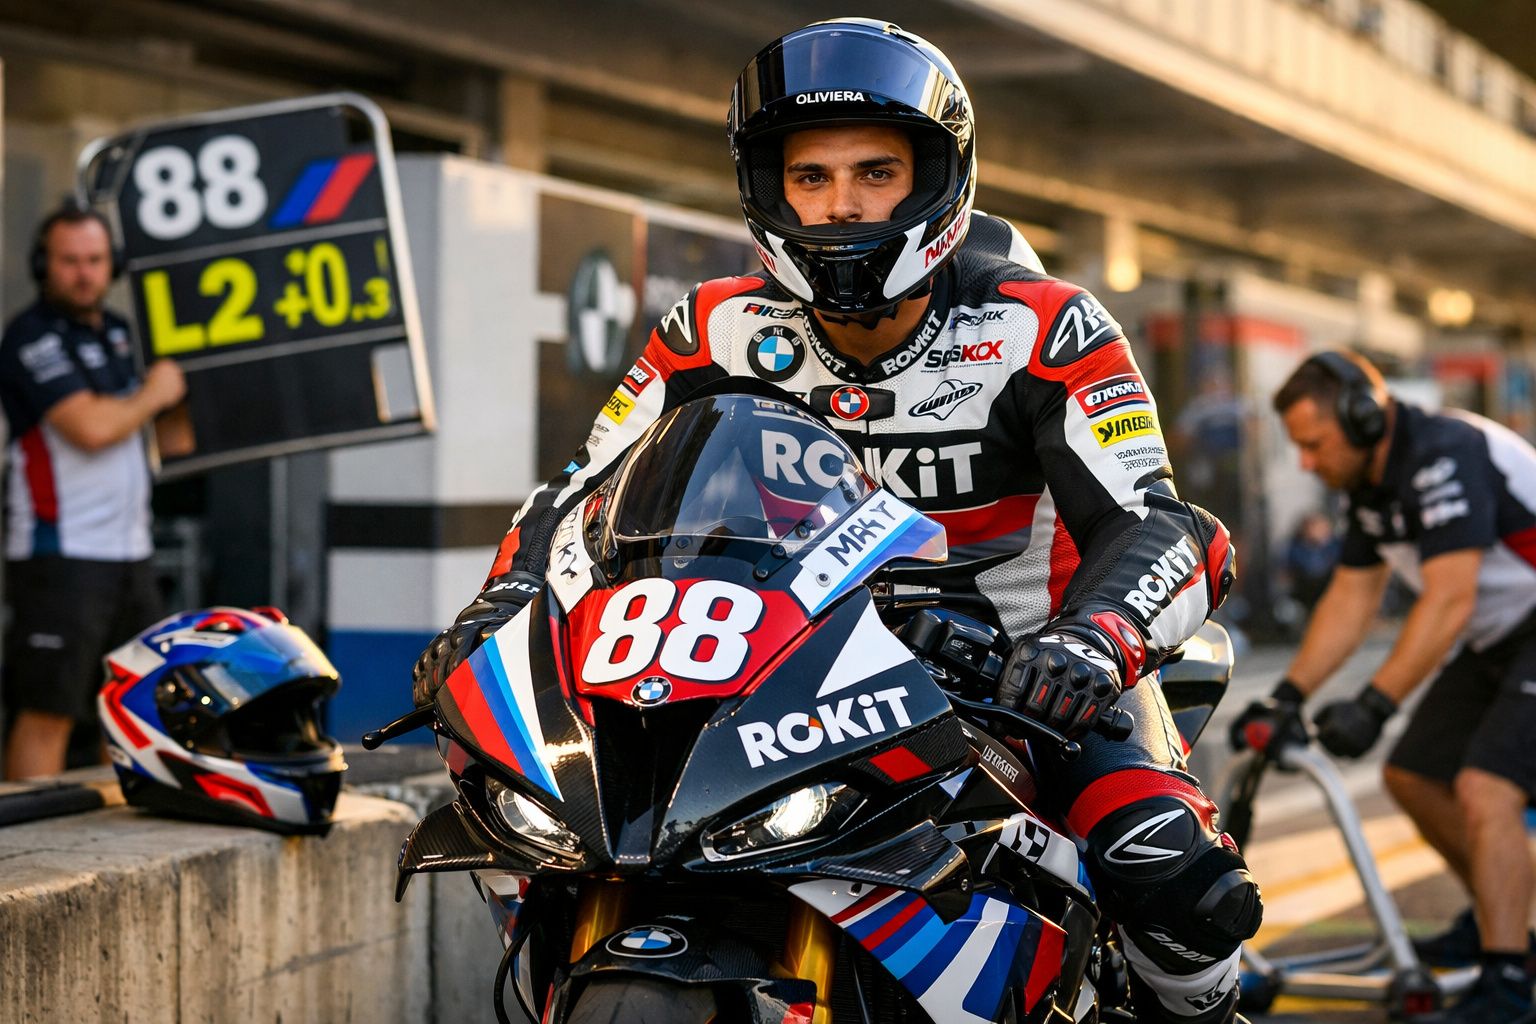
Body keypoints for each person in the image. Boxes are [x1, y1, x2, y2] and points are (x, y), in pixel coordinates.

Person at [415, 20, 1259, 1022]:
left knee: (1161, 865)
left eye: (874, 172)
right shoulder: (711, 326)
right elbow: (576, 493)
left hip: (1022, 679)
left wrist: (1089, 641)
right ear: (768, 188)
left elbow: (1155, 522)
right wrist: (499, 604)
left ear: (937, 178)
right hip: (778, 669)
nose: (841, 203)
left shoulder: (1046, 326)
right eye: (809, 177)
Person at [1234, 350, 1536, 1023]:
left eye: (1313, 444)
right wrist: (1288, 695)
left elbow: (1449, 600)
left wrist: (1376, 704)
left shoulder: (1444, 452)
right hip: (1505, 634)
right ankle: (1502, 922)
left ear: (1362, 417)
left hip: (1524, 625)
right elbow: (1352, 595)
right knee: (1412, 775)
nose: (1306, 463)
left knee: (1487, 787)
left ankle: (1510, 980)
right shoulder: (1373, 485)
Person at [1, 201, 185, 779]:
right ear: (43, 265)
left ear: (113, 266)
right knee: (47, 712)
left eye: (95, 260)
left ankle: (113, 834)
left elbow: (164, 439)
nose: (84, 273)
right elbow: (92, 428)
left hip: (129, 554)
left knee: (133, 710)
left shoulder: (120, 333)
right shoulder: (30, 335)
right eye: (69, 261)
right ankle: (25, 858)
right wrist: (157, 393)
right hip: (61, 556)